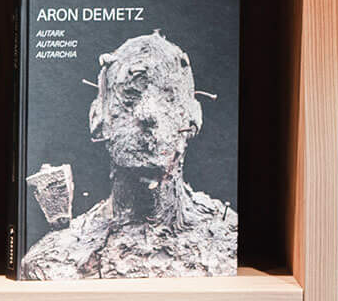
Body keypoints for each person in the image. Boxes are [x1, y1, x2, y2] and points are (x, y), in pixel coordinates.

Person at [19, 29, 237, 279]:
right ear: (97, 117)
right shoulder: (54, 261)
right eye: (130, 98)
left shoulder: (228, 240)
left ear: (193, 117)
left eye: (168, 97)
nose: (148, 115)